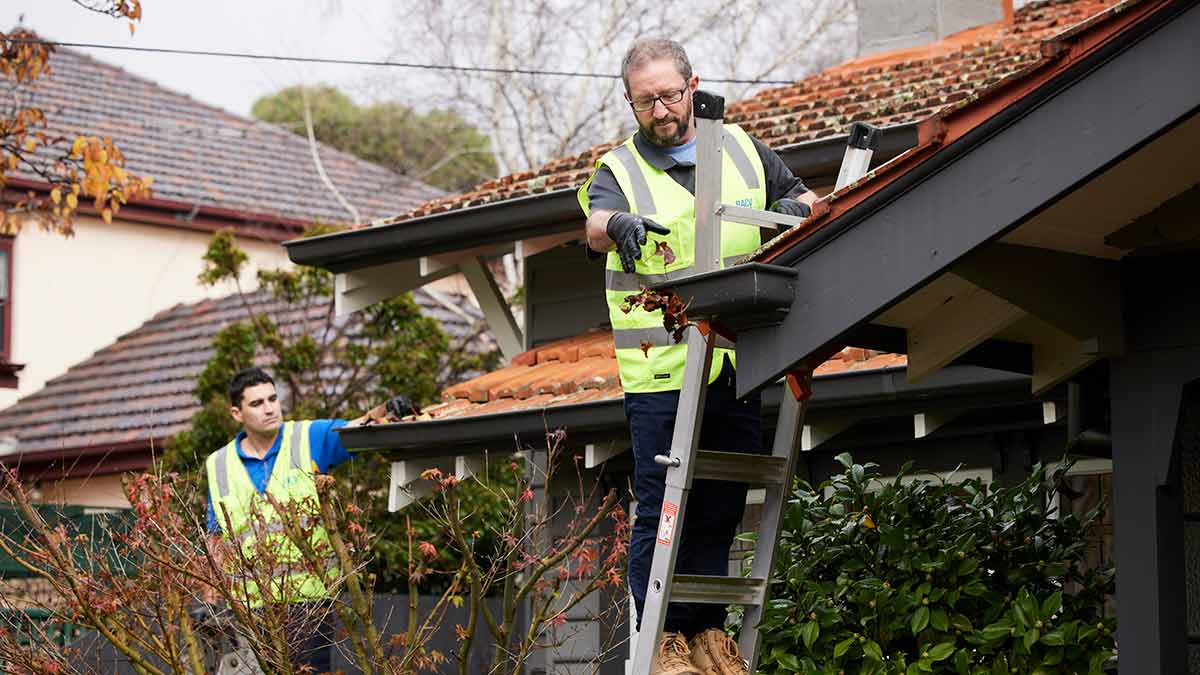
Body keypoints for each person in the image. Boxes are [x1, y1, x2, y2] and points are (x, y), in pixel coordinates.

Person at [577, 39, 817, 675]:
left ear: (694, 86)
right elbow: (595, 223)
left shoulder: (741, 147)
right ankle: (662, 638)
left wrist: (792, 212)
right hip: (660, 368)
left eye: (669, 95)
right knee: (661, 504)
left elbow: (805, 196)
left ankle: (708, 632)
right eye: (644, 100)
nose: (659, 110)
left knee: (722, 498)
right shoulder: (619, 168)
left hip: (736, 360)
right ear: (629, 102)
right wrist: (620, 227)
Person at [205, 366, 412, 673]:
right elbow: (216, 535)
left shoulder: (307, 437)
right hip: (248, 611)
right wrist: (212, 601)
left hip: (309, 603)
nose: (269, 408)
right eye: (257, 403)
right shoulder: (218, 464)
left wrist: (386, 410)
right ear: (237, 413)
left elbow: (356, 428)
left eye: (273, 399)